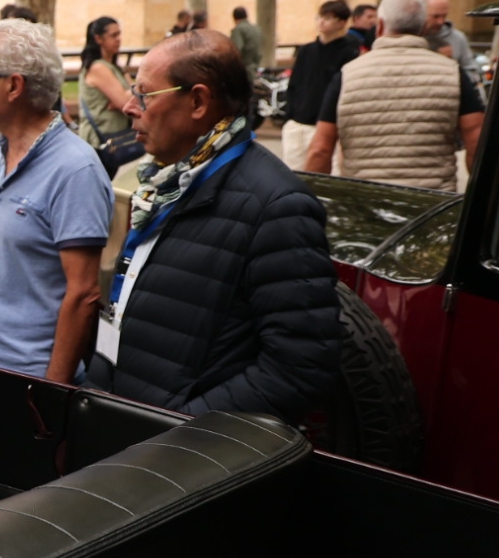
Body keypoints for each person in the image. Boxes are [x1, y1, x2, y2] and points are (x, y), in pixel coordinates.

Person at [88, 30, 342, 422]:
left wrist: (181, 428)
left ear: (198, 101)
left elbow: (300, 368)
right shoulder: (166, 181)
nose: (129, 107)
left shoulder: (277, 207)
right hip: (120, 427)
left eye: (144, 94)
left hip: (175, 459)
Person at [0, 20, 112, 380]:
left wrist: (50, 396)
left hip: (25, 381)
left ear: (13, 86)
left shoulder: (75, 170)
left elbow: (83, 295)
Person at [303, 0, 483, 191]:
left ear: (379, 26)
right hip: (431, 205)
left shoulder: (347, 75)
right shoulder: (452, 74)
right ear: (423, 26)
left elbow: (320, 150)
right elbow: (477, 142)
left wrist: (310, 202)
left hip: (363, 203)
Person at [281, 0, 360, 170]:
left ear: (341, 22)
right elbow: (294, 84)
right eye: (320, 17)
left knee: (325, 181)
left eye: (329, 18)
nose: (321, 21)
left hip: (327, 127)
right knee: (293, 178)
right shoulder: (306, 50)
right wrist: (290, 117)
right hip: (298, 125)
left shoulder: (349, 53)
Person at [73, 17, 135, 165]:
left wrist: (122, 96)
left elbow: (133, 95)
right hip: (99, 144)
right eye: (113, 35)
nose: (119, 39)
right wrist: (124, 96)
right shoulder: (98, 68)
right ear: (98, 39)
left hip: (116, 139)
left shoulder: (114, 66)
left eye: (119, 34)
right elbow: (127, 103)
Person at [424, 0, 479, 85]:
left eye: (444, 16)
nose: (440, 22)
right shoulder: (412, 36)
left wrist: (451, 66)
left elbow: (471, 72)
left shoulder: (458, 38)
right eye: (435, 16)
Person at [229, 6, 264, 72]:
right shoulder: (257, 29)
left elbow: (236, 49)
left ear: (235, 19)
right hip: (256, 68)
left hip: (244, 70)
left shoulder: (238, 29)